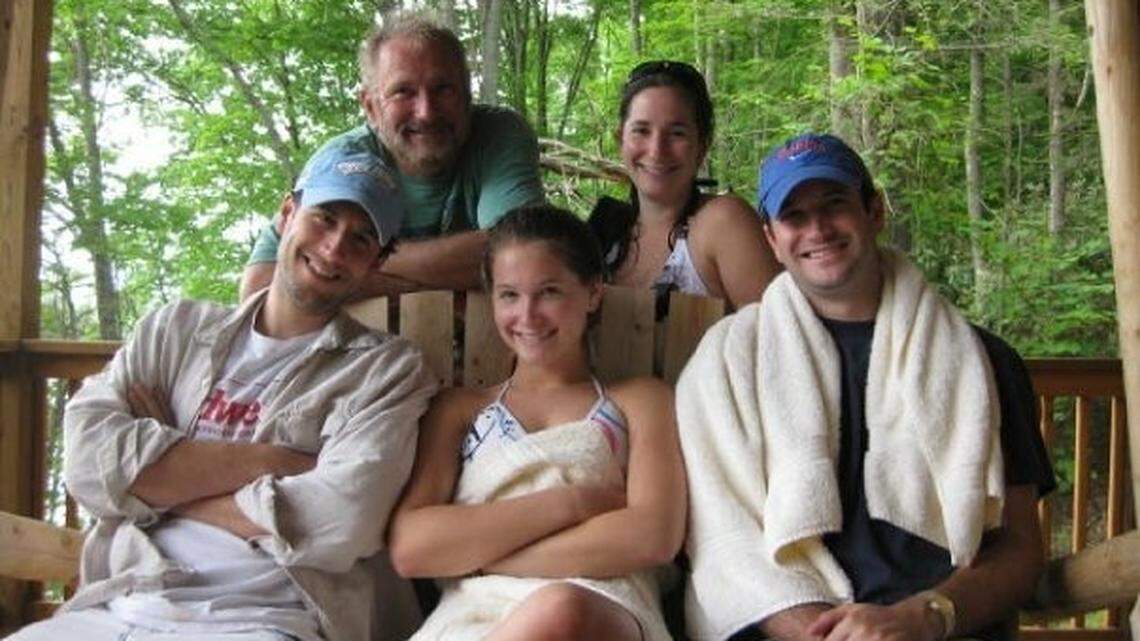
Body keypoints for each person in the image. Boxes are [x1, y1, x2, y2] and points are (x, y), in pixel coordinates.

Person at [10, 148, 438, 641]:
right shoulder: (174, 332)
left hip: (266, 618)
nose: (334, 248)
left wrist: (156, 485)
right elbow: (87, 462)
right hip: (125, 598)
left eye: (362, 239)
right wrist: (275, 460)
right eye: (324, 218)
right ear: (287, 214)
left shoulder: (384, 371)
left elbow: (341, 522)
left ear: (377, 262)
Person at [675, 133, 1055, 641]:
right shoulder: (723, 366)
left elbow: (1021, 547)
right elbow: (723, 543)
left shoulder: (982, 361)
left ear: (874, 212)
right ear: (771, 238)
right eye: (795, 216)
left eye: (835, 204)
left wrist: (926, 615)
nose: (818, 229)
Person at [387, 205, 686, 641]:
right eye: (509, 294)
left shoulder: (639, 402)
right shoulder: (459, 410)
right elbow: (413, 548)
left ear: (593, 292)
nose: (527, 316)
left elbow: (652, 536)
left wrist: (484, 555)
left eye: (548, 292)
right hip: (475, 615)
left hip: (603, 602)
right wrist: (576, 504)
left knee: (561, 609)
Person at [240, 11, 544, 301]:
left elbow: (523, 253)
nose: (426, 112)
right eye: (403, 92)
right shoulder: (341, 163)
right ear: (370, 106)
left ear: (467, 92)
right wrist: (466, 271)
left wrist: (352, 269)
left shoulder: (499, 135)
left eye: (443, 89)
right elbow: (257, 289)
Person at [589, 60, 780, 316]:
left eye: (677, 133)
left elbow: (782, 341)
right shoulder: (603, 235)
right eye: (641, 130)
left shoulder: (723, 222)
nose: (657, 151)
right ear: (619, 140)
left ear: (702, 146)